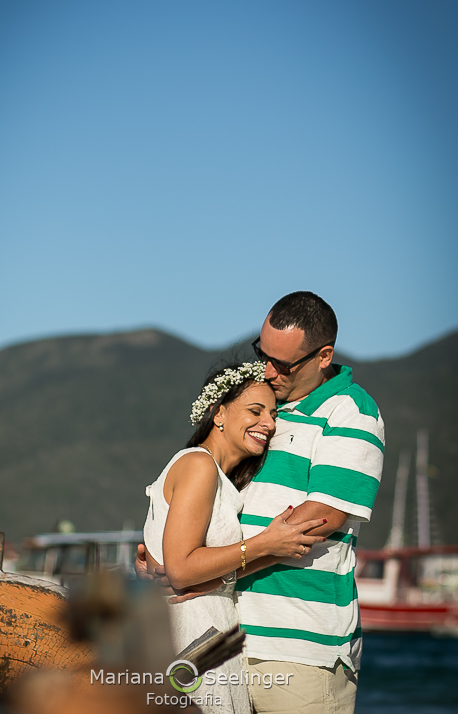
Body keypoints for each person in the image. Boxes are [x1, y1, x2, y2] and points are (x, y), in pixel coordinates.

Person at [139, 291, 385, 714]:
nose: (268, 371)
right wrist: (166, 557)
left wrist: (204, 575)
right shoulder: (263, 412)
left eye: (283, 364)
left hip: (299, 649)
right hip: (224, 642)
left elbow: (312, 523)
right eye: (262, 353)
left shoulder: (350, 412)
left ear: (323, 356)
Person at [142, 361, 326, 714]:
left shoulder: (216, 476)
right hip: (192, 631)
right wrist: (265, 544)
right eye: (255, 411)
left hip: (208, 630)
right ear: (218, 413)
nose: (269, 424)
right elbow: (180, 569)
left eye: (273, 414)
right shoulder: (199, 466)